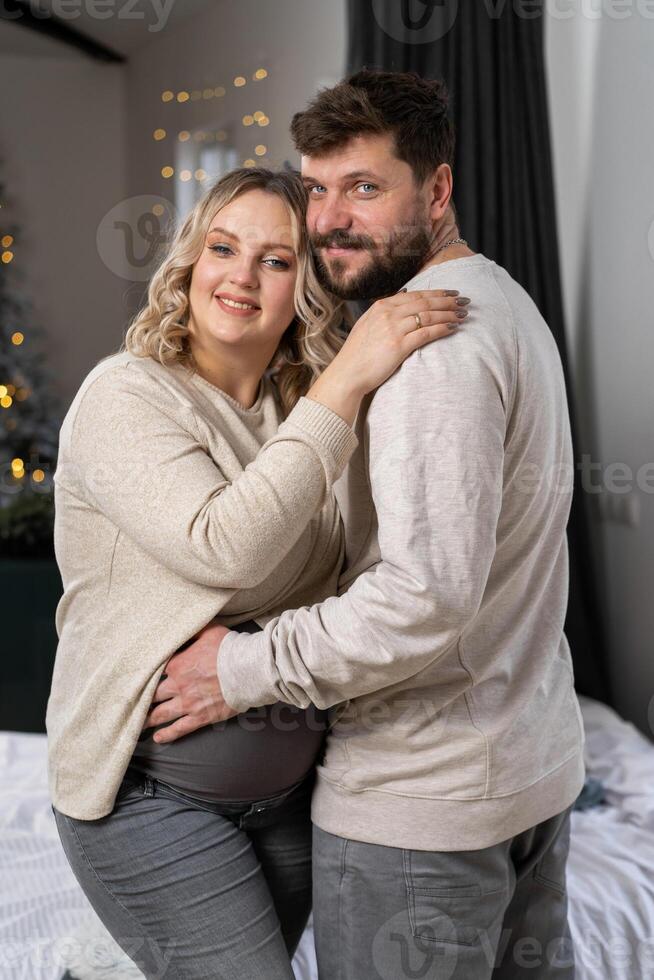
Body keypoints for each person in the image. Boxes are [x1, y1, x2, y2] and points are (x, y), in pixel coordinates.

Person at [151, 71, 586, 979]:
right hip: (521, 780)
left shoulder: (434, 352)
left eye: (364, 188)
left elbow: (422, 596)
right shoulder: (503, 302)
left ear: (436, 190)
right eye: (316, 188)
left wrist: (239, 669)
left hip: (419, 813)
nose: (327, 221)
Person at [46, 165, 463, 979]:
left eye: (275, 260)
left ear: (302, 286)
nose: (241, 275)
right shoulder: (127, 398)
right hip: (145, 796)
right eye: (222, 247)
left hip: (290, 800)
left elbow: (352, 577)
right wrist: (349, 378)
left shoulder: (301, 409)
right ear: (190, 264)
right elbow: (224, 547)